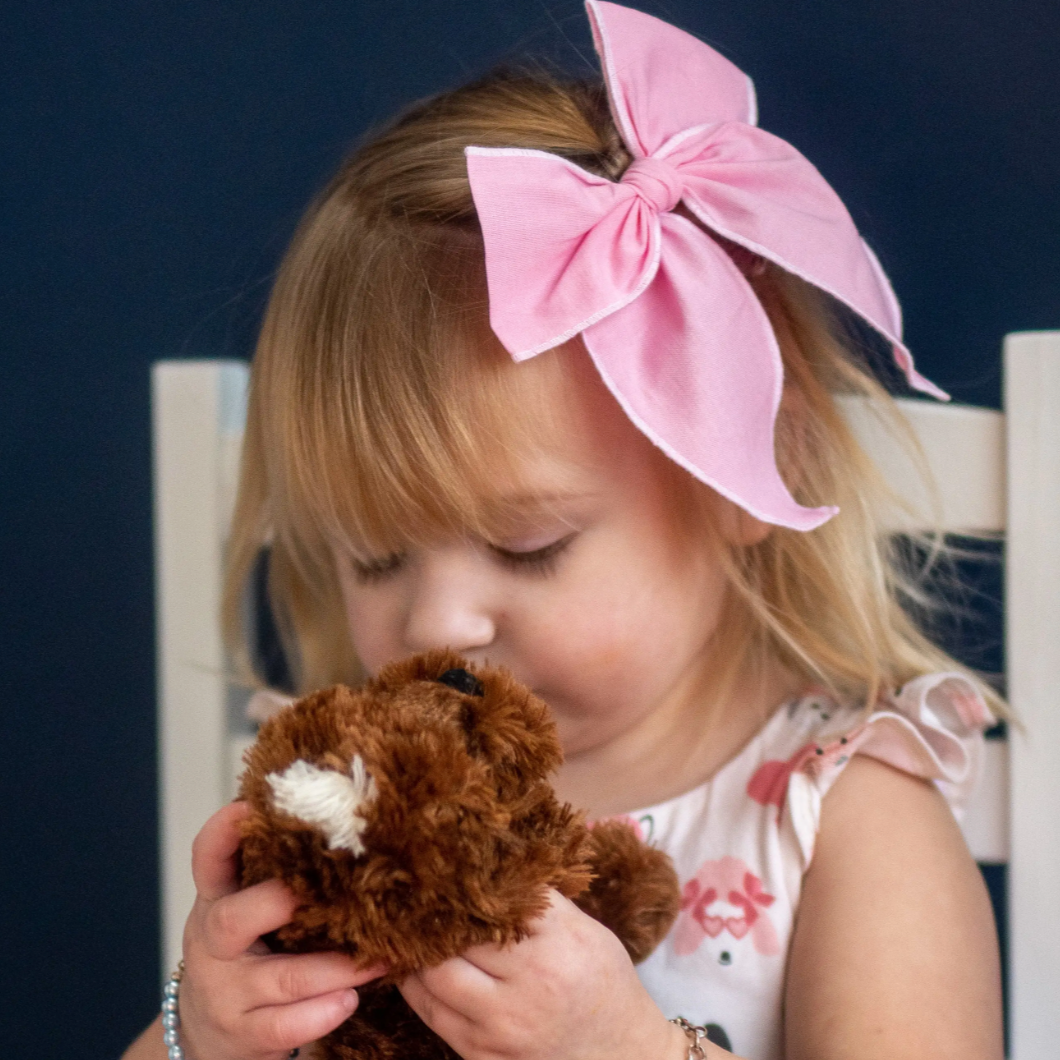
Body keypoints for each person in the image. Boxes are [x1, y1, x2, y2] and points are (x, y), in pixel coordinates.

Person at [124, 3, 1005, 1058]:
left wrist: (627, 1047)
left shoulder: (840, 820)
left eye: (527, 544)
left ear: (744, 475)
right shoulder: (341, 800)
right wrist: (202, 1033)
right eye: (374, 553)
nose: (439, 620)